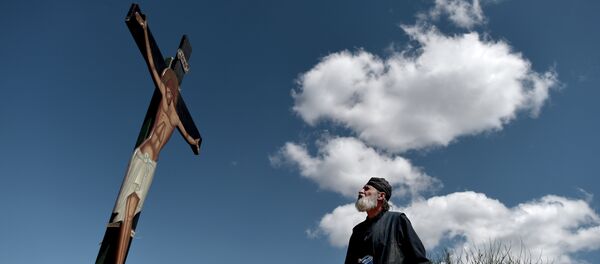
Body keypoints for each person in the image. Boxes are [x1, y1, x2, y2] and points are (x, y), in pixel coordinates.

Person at [345, 178, 430, 264]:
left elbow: (420, 261)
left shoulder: (398, 220)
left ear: (381, 196)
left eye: (366, 189)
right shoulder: (357, 231)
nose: (360, 191)